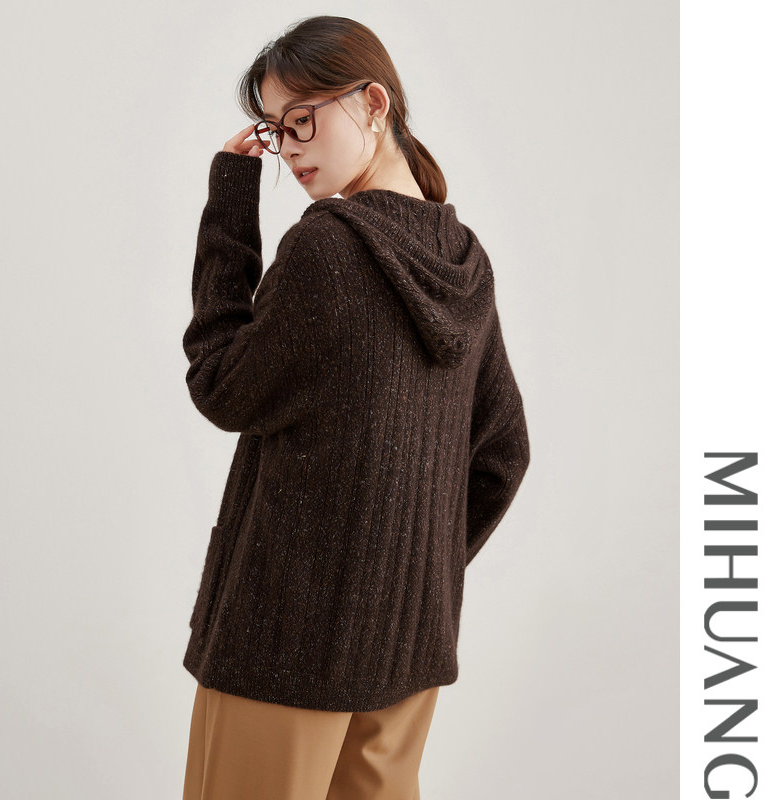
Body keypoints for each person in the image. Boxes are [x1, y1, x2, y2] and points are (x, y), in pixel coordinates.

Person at [181, 14, 531, 800]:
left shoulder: (328, 247)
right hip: (407, 653)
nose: (288, 147)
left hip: (283, 649)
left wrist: (230, 206)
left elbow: (222, 385)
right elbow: (502, 455)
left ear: (374, 103)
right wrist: (412, 574)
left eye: (301, 119)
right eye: (276, 131)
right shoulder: (465, 261)